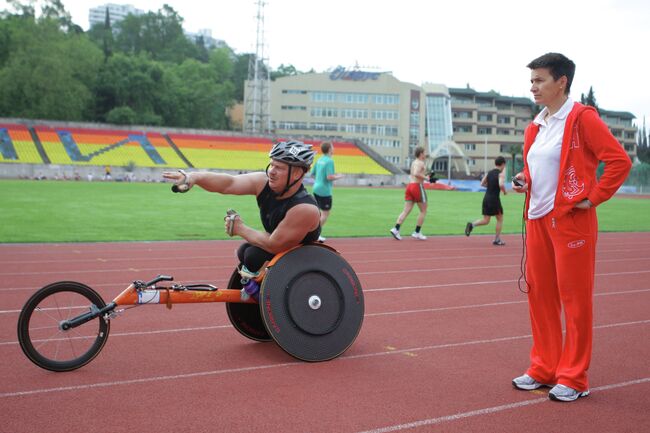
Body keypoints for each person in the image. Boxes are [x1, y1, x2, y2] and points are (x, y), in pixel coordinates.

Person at [511, 53, 631, 402]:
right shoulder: (535, 125)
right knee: (541, 297)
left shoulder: (582, 119)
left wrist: (593, 198)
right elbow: (537, 169)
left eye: (539, 80)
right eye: (532, 80)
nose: (532, 86)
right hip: (536, 220)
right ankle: (544, 368)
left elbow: (618, 162)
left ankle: (575, 377)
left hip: (570, 221)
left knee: (574, 300)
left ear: (561, 81)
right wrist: (524, 177)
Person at [162, 140, 321, 282]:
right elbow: (228, 184)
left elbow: (275, 245)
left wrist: (241, 229)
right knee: (246, 252)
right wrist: (194, 177)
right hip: (282, 250)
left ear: (297, 173)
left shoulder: (304, 209)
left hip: (303, 261)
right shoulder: (262, 182)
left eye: (278, 167)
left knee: (253, 255)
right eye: (271, 164)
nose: (271, 171)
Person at [465, 156, 507, 245]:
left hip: (486, 198)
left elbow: (482, 183)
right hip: (494, 199)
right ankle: (497, 239)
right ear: (503, 164)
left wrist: (491, 186)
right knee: (500, 219)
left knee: (486, 220)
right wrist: (504, 191)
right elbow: (501, 184)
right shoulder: (501, 174)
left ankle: (471, 225)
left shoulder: (489, 173)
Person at [390, 146, 428, 240]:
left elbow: (415, 174)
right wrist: (426, 178)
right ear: (421, 154)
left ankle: (396, 228)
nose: (425, 154)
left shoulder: (414, 162)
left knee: (406, 210)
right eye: (424, 152)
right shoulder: (420, 163)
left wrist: (427, 177)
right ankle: (417, 232)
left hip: (410, 186)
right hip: (417, 187)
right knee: (423, 210)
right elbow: (416, 173)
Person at [311, 141, 344, 243]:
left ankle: (314, 233)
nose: (333, 149)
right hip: (324, 191)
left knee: (318, 213)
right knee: (325, 213)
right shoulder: (329, 161)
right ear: (330, 149)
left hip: (316, 188)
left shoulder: (320, 159)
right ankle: (315, 234)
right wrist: (339, 176)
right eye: (332, 147)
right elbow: (329, 177)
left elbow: (312, 174)